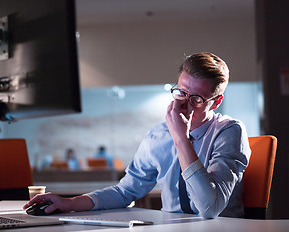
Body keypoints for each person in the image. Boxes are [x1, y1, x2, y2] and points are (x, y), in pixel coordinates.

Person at [24, 52, 251, 219]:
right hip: (171, 230)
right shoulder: (158, 135)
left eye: (197, 99)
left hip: (221, 231)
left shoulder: (229, 131)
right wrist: (69, 203)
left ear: (216, 101)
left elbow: (209, 208)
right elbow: (126, 191)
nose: (184, 104)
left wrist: (181, 137)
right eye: (181, 92)